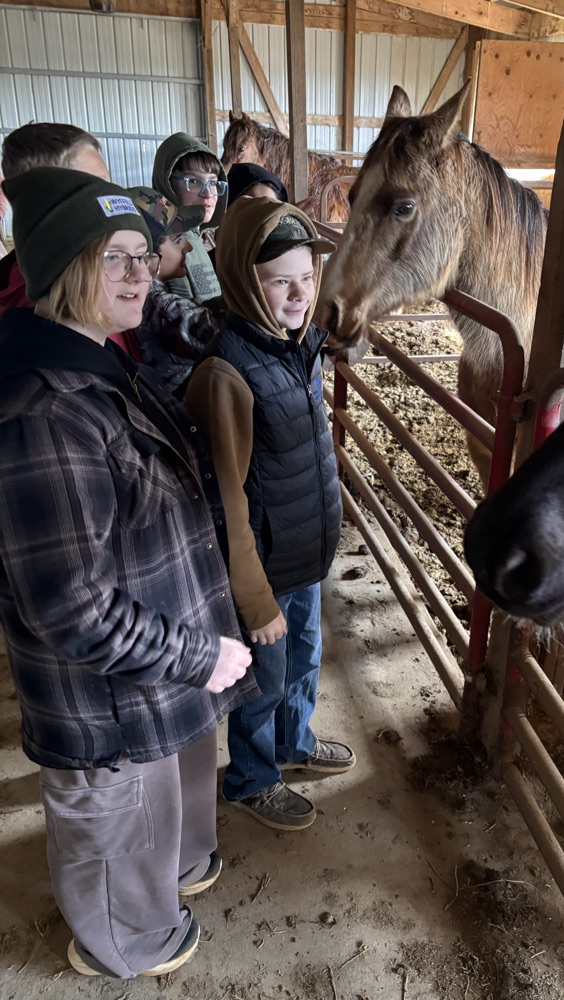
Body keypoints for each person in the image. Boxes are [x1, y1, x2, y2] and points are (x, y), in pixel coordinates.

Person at [0, 167, 257, 978]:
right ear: (65, 270)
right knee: (114, 826)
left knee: (160, 811)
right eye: (116, 258)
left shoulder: (100, 360)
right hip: (107, 699)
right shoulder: (43, 413)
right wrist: (199, 654)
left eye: (143, 256)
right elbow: (72, 607)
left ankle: (171, 884)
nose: (141, 274)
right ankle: (124, 940)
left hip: (156, 671)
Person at [185, 198, 352, 831]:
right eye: (280, 280)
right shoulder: (229, 370)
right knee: (265, 677)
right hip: (266, 567)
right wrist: (253, 600)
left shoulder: (300, 346)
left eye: (307, 277)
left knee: (305, 655)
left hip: (303, 551)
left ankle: (294, 743)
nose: (299, 294)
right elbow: (227, 497)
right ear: (242, 281)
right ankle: (252, 779)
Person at [0, 122, 109, 312]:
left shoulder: (91, 268)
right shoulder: (47, 307)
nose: (108, 199)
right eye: (91, 190)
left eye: (108, 187)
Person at [128, 187, 222, 391]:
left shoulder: (143, 299)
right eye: (178, 240)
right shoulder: (161, 308)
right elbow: (225, 335)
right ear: (147, 253)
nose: (188, 247)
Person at [151, 132, 227, 305]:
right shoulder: (161, 243)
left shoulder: (196, 238)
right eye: (194, 181)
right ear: (167, 183)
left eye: (213, 183)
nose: (208, 194)